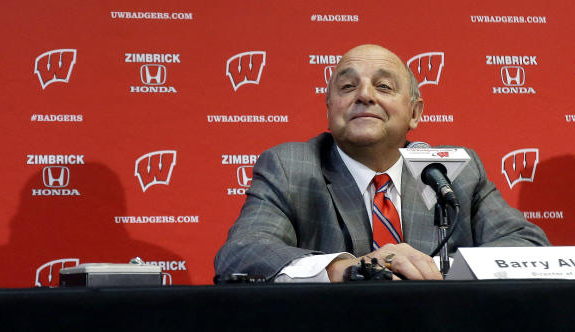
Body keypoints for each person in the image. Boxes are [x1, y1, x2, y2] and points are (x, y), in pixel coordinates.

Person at [214, 44, 549, 282]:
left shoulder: (452, 173)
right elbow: (241, 254)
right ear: (330, 107)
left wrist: (438, 270)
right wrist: (349, 268)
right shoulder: (291, 167)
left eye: (383, 86)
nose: (365, 95)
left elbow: (529, 247)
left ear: (415, 113)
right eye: (347, 86)